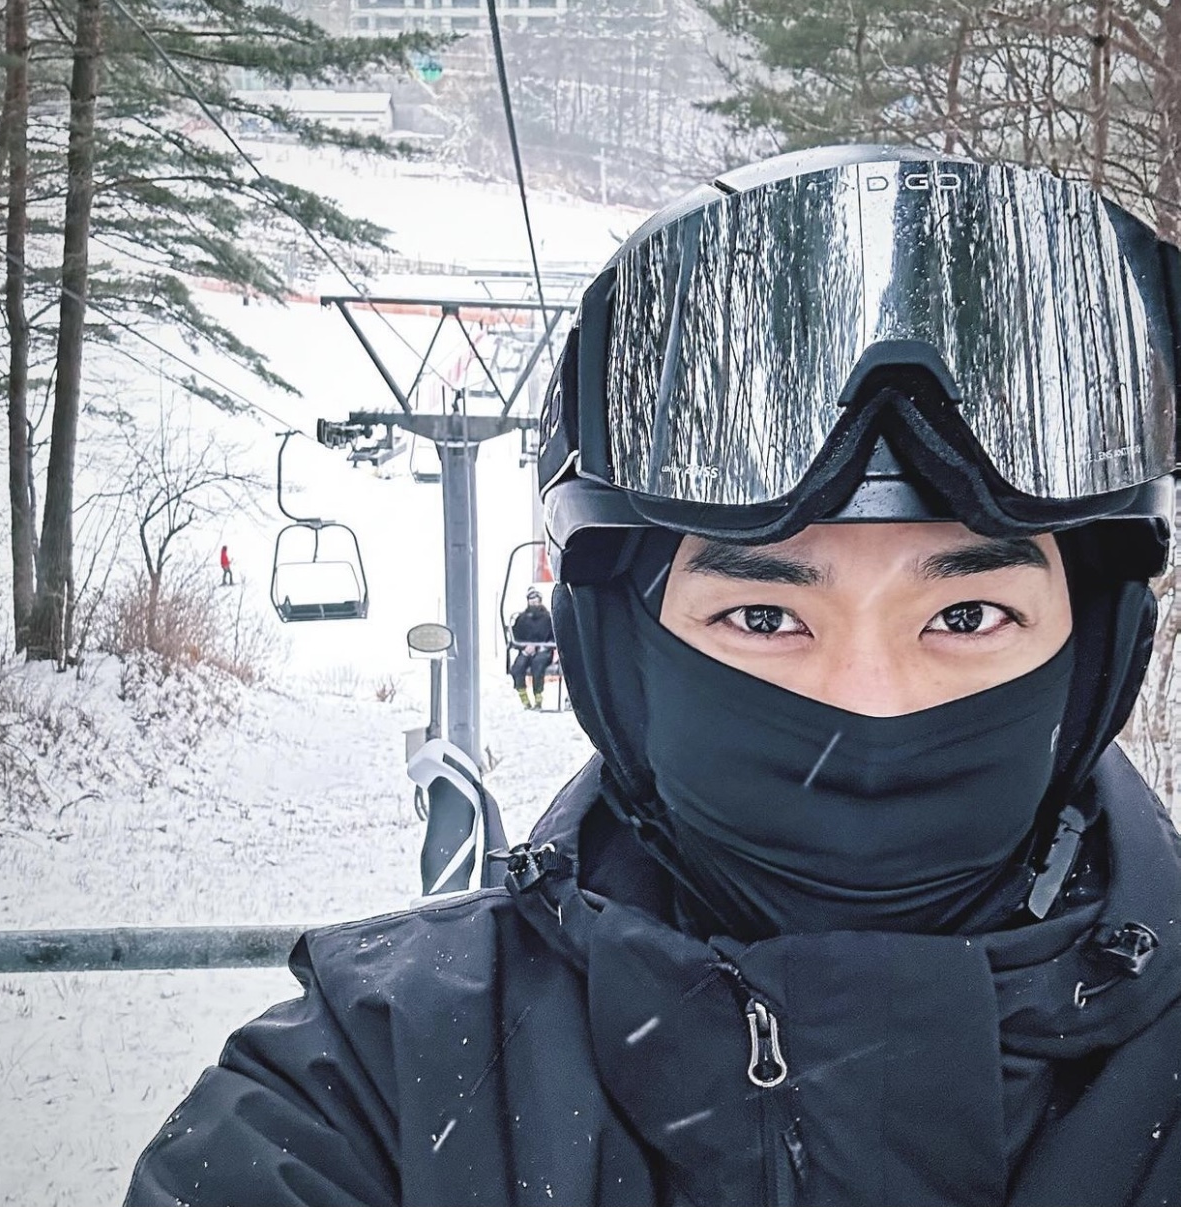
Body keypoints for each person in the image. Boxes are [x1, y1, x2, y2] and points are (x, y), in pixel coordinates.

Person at [126, 147, 1181, 1206]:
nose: (870, 699)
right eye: (763, 617)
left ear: (1093, 655)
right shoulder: (376, 1086)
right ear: (624, 660)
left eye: (966, 615)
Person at [509, 586, 555, 709]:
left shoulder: (548, 618)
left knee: (538, 665)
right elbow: (515, 636)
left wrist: (543, 647)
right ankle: (524, 697)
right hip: (526, 650)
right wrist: (524, 647)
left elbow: (554, 636)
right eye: (531, 601)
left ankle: (538, 698)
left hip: (543, 651)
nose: (534, 604)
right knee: (518, 667)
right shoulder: (522, 619)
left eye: (536, 601)